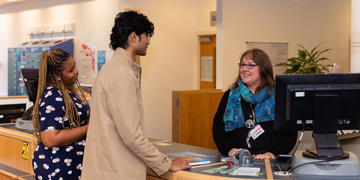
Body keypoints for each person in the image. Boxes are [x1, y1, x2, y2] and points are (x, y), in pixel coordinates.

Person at [81, 11, 191, 180]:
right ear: (134, 37)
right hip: (117, 170)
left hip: (105, 167)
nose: (148, 41)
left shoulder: (109, 68)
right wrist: (166, 163)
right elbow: (132, 135)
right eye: (146, 36)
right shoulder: (123, 74)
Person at [212, 48, 297, 159]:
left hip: (270, 162)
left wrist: (272, 154)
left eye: (250, 65)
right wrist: (230, 149)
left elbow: (290, 133)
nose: (244, 69)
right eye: (242, 65)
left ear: (263, 68)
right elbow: (218, 129)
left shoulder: (279, 96)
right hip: (237, 161)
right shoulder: (230, 96)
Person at [32, 48, 90, 179]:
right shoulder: (52, 96)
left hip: (71, 165)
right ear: (57, 75)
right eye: (70, 70)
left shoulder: (68, 91)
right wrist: (89, 128)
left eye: (74, 65)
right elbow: (50, 139)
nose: (76, 71)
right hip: (57, 167)